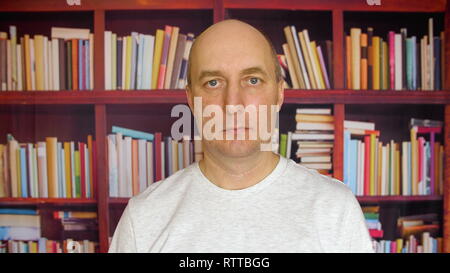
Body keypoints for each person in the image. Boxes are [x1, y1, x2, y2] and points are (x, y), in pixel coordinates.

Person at [108, 19, 374, 253]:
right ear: (190, 99)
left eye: (253, 80)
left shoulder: (335, 209)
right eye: (213, 82)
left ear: (279, 94)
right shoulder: (143, 218)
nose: (233, 104)